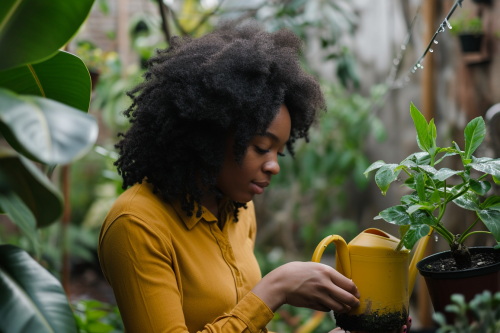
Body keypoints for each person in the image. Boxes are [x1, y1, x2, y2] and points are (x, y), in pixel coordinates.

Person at [98, 21, 411, 333]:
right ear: (210, 134)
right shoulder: (136, 225)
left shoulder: (237, 208)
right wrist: (273, 289)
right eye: (261, 147)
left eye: (279, 150)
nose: (274, 166)